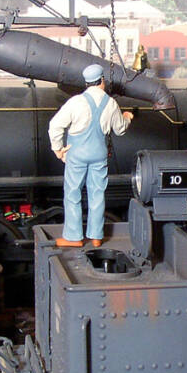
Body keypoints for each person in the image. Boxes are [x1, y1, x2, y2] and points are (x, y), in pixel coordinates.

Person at [48, 63, 134, 247]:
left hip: (77, 155)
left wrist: (57, 149)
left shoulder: (76, 102)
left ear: (87, 83)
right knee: (97, 194)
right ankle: (96, 236)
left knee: (72, 193)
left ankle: (74, 237)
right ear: (102, 81)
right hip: (99, 155)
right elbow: (120, 130)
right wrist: (127, 118)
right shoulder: (110, 103)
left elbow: (55, 125)